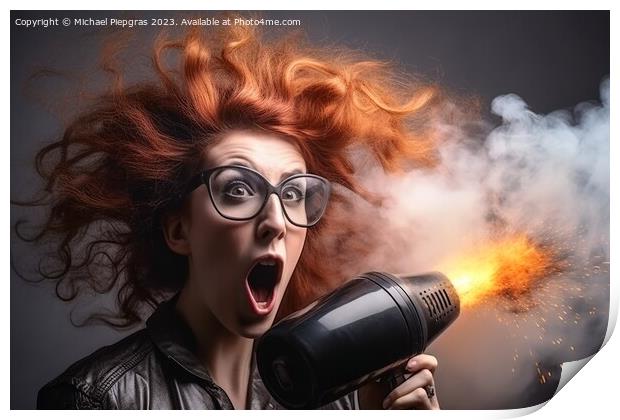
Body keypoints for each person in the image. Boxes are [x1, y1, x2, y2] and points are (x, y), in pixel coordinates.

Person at [21, 18, 441, 409]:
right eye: (239, 189)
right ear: (178, 230)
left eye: (294, 193)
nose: (276, 221)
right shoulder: (97, 401)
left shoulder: (341, 394)